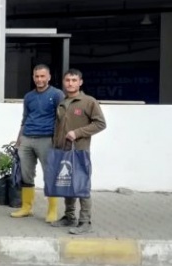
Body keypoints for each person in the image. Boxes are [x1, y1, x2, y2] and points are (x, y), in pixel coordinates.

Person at [50, 69, 106, 235]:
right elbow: (57, 126)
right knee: (67, 184)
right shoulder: (63, 102)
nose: (70, 83)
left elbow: (100, 124)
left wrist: (77, 133)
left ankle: (85, 221)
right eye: (67, 80)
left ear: (80, 82)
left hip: (79, 151)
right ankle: (69, 217)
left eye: (74, 80)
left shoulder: (89, 102)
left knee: (81, 186)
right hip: (62, 150)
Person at [11, 64, 65, 222]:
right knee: (26, 175)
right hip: (27, 138)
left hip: (47, 139)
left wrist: (58, 140)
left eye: (42, 76)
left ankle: (52, 211)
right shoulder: (29, 97)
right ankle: (26, 208)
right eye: (37, 76)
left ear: (49, 77)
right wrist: (18, 139)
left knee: (50, 175)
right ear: (33, 77)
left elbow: (62, 119)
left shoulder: (57, 94)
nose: (39, 79)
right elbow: (25, 119)